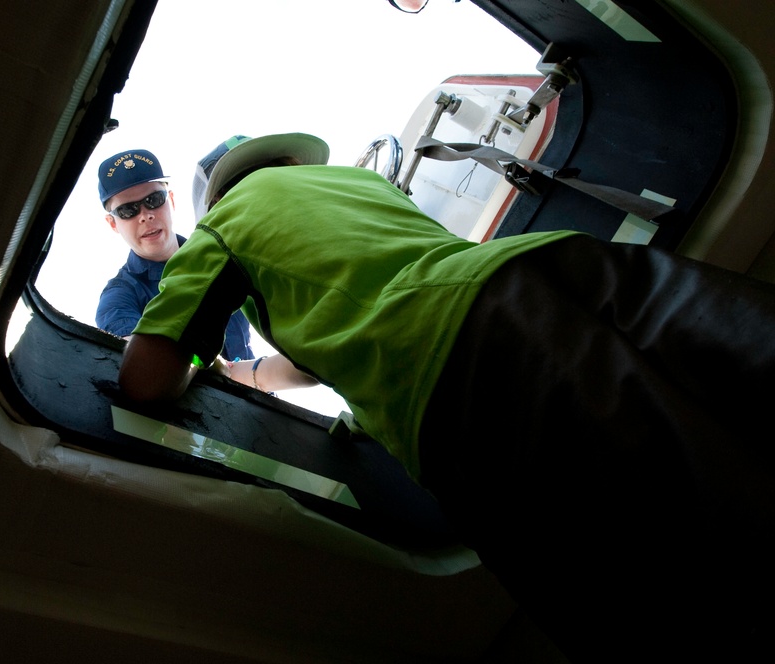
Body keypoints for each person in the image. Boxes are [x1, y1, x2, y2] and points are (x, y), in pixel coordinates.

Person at [119, 132, 775, 661]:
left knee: (674, 592)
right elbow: (340, 323)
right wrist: (259, 375)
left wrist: (213, 364)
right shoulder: (355, 181)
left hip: (469, 378)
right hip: (561, 269)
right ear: (288, 160)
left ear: (214, 202)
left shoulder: (222, 229)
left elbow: (147, 377)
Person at [94, 148, 254, 363]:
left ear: (171, 200)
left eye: (153, 200)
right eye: (128, 210)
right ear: (113, 223)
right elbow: (139, 361)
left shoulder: (224, 255)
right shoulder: (120, 296)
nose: (145, 215)